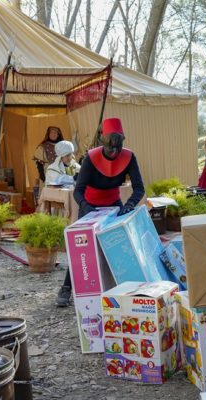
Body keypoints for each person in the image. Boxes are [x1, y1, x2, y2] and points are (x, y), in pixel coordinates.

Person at [55, 117, 145, 307]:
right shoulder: (91, 157)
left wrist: (129, 205)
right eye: (109, 147)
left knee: (117, 247)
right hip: (90, 206)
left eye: (117, 147)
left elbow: (139, 188)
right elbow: (78, 190)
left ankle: (120, 289)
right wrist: (86, 207)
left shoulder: (129, 157)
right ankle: (66, 288)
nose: (113, 152)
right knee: (81, 250)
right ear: (102, 142)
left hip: (114, 205)